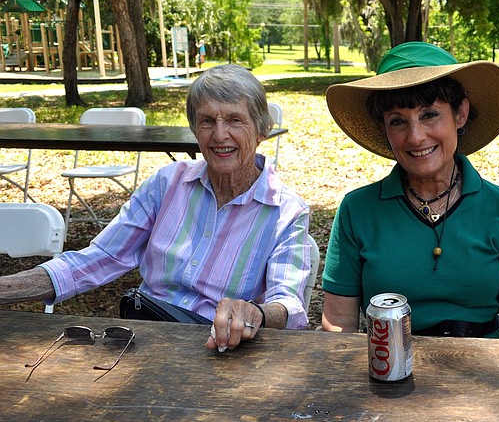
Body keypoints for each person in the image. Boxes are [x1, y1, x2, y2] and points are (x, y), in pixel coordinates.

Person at [0, 64, 312, 351]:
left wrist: (254, 312)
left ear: (261, 130)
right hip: (148, 336)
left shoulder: (285, 211)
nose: (219, 135)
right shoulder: (169, 183)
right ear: (194, 129)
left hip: (219, 349)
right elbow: (103, 257)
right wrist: (9, 287)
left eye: (234, 120)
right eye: (207, 121)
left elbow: (288, 304)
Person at [322, 41, 499, 338]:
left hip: (485, 373)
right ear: (384, 129)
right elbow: (338, 327)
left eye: (429, 115)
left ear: (460, 114)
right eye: (398, 121)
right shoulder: (357, 210)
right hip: (388, 367)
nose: (416, 137)